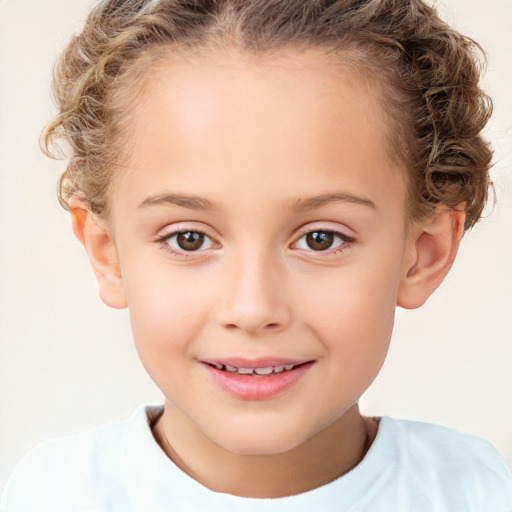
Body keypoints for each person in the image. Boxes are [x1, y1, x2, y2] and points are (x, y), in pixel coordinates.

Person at [1, 0, 511, 510]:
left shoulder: (479, 495)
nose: (252, 308)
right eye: (189, 239)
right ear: (107, 252)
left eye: (320, 239)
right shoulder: (50, 496)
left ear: (423, 252)